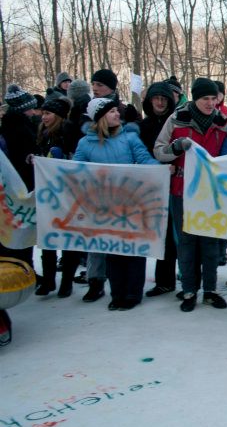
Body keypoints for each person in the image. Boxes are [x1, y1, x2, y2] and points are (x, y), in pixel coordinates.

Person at [73, 98, 159, 310]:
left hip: (131, 203)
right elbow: (74, 171)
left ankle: (133, 293)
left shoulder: (130, 138)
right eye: (112, 111)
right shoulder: (85, 143)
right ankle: (117, 293)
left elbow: (145, 160)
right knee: (112, 251)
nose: (117, 114)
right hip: (103, 206)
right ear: (100, 117)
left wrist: (162, 169)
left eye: (116, 110)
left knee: (133, 250)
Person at [154, 78, 227, 312]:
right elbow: (159, 151)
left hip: (211, 192)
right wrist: (176, 147)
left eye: (214, 98)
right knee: (186, 242)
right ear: (195, 98)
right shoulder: (177, 119)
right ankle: (189, 290)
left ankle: (210, 290)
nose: (210, 103)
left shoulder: (222, 122)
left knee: (210, 242)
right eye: (205, 98)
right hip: (182, 191)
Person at [29, 95, 81, 297]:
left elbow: (75, 160)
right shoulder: (42, 133)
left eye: (48, 113)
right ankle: (49, 280)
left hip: (67, 194)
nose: (44, 117)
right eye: (43, 113)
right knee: (47, 237)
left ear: (58, 115)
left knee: (68, 238)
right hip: (47, 193)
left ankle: (66, 282)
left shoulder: (68, 132)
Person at [138, 81, 181, 298]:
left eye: (164, 99)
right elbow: (140, 154)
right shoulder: (142, 126)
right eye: (156, 99)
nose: (160, 103)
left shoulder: (176, 123)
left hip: (174, 184)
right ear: (150, 101)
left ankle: (178, 279)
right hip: (150, 186)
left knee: (175, 235)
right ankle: (162, 280)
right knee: (159, 234)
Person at [0, 85, 39, 269]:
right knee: (23, 228)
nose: (33, 112)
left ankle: (20, 267)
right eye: (30, 108)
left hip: (14, 186)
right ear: (22, 110)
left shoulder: (12, 126)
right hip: (21, 185)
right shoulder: (20, 129)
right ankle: (23, 267)